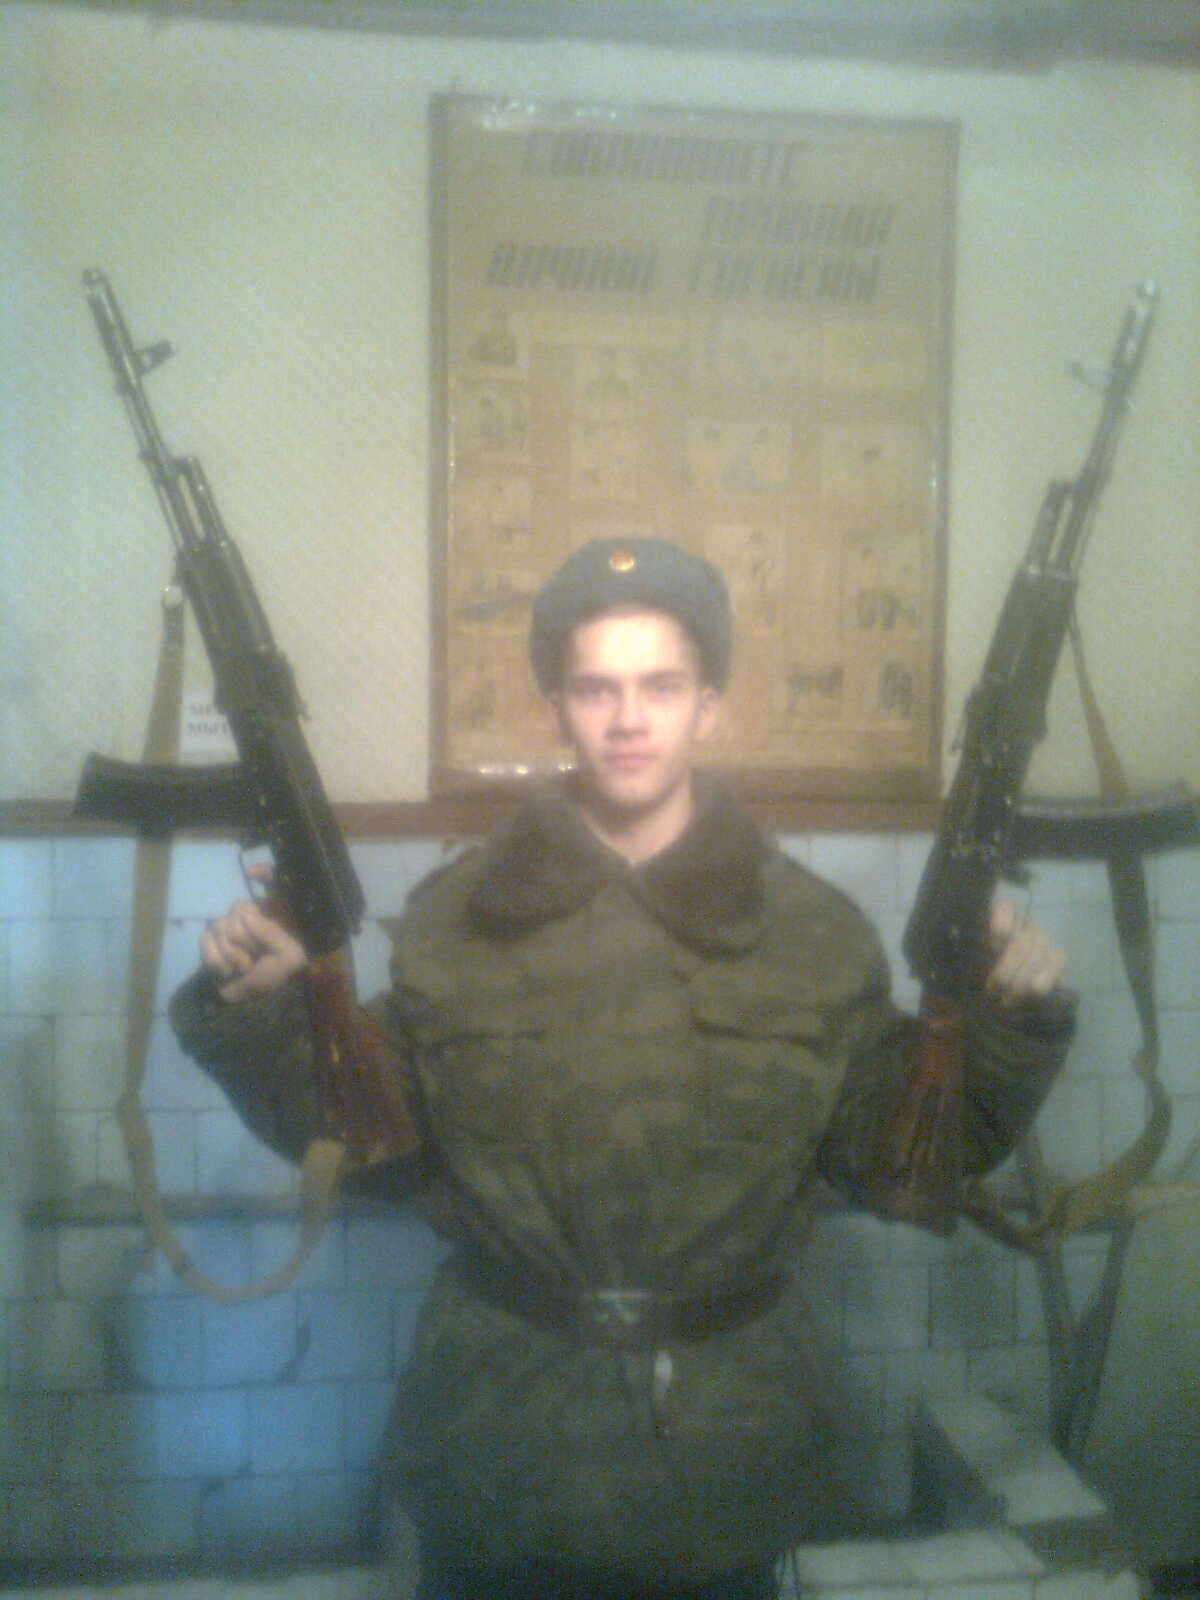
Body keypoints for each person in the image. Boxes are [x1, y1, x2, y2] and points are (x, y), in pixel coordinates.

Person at [171, 537, 1072, 1600]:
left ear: (709, 707)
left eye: (661, 685)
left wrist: (1010, 1024)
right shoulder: (458, 921)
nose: (628, 718)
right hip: (499, 1452)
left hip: (727, 1463)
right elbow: (369, 1146)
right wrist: (267, 1011)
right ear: (557, 706)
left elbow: (905, 1156)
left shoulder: (813, 935)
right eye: (597, 687)